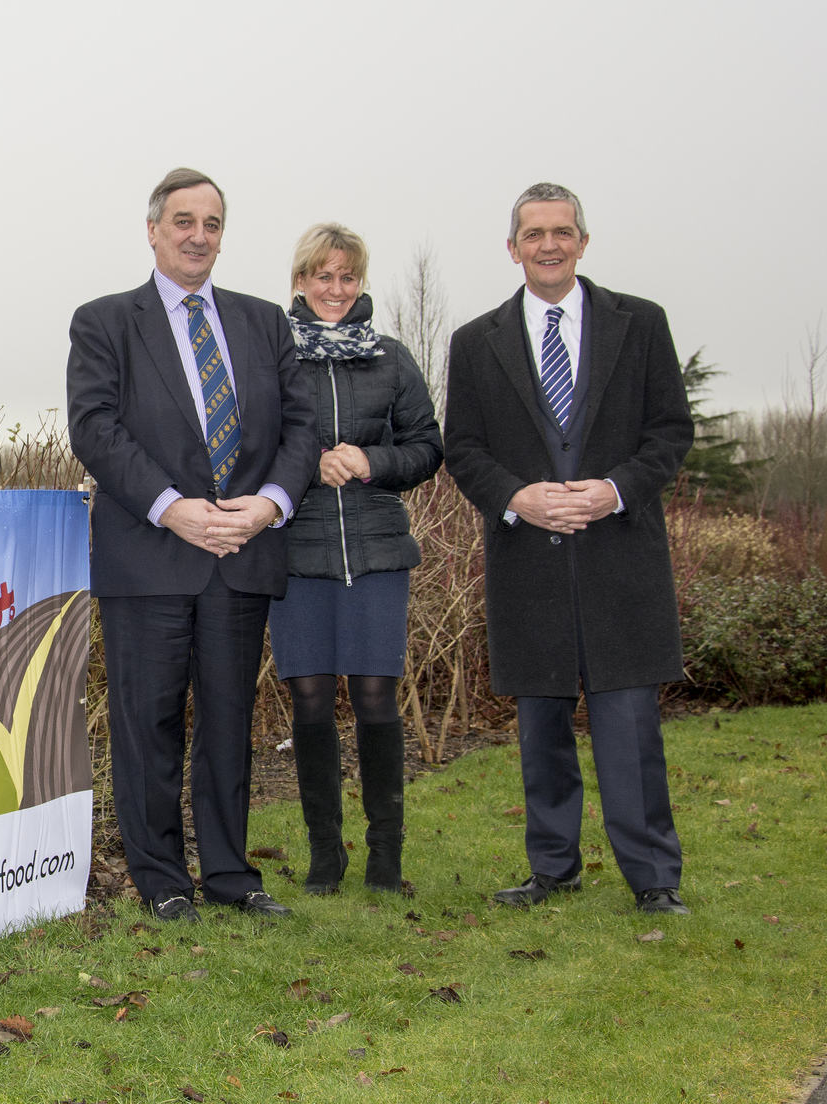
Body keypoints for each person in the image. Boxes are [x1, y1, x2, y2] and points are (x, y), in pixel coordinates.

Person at [67, 168, 320, 923]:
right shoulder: (106, 322)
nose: (197, 236)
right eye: (183, 221)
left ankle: (231, 876)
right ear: (153, 230)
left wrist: (269, 505)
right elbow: (95, 428)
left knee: (228, 720)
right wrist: (172, 508)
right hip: (150, 556)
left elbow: (301, 429)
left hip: (241, 556)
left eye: (211, 223)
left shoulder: (266, 322)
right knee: (146, 724)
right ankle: (161, 878)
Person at [443, 182, 695, 916]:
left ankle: (654, 879)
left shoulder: (640, 324)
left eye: (562, 231)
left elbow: (670, 433)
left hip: (621, 558)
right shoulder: (475, 342)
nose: (548, 245)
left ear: (583, 241)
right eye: (534, 234)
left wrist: (614, 489)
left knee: (629, 731)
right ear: (513, 247)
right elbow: (463, 448)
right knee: (542, 730)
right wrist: (516, 497)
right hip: (528, 565)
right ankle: (552, 869)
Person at [271, 223, 443, 896]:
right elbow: (247, 449)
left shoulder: (393, 360)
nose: (335, 288)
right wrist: (305, 464)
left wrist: (373, 461)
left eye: (347, 277)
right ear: (301, 280)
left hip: (376, 552)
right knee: (310, 702)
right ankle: (324, 859)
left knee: (375, 698)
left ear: (360, 282)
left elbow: (427, 447)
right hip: (297, 553)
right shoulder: (273, 359)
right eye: (323, 275)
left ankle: (385, 860)